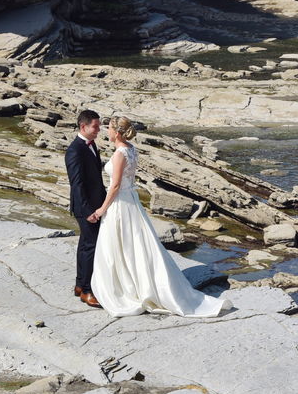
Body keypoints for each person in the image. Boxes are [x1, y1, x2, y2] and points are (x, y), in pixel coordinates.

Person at [88, 115, 232, 318]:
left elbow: (116, 186)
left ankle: (129, 289)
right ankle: (139, 284)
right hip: (132, 201)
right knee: (134, 245)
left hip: (121, 204)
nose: (106, 132)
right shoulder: (131, 149)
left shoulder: (120, 153)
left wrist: (102, 209)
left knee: (122, 246)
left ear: (117, 132)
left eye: (109, 128)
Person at [65, 109, 105, 308]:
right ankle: (87, 292)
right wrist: (89, 210)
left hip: (95, 204)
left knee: (85, 245)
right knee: (90, 248)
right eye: (95, 126)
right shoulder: (75, 150)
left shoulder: (91, 145)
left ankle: (80, 285)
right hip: (85, 207)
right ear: (84, 126)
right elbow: (77, 184)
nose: (99, 130)